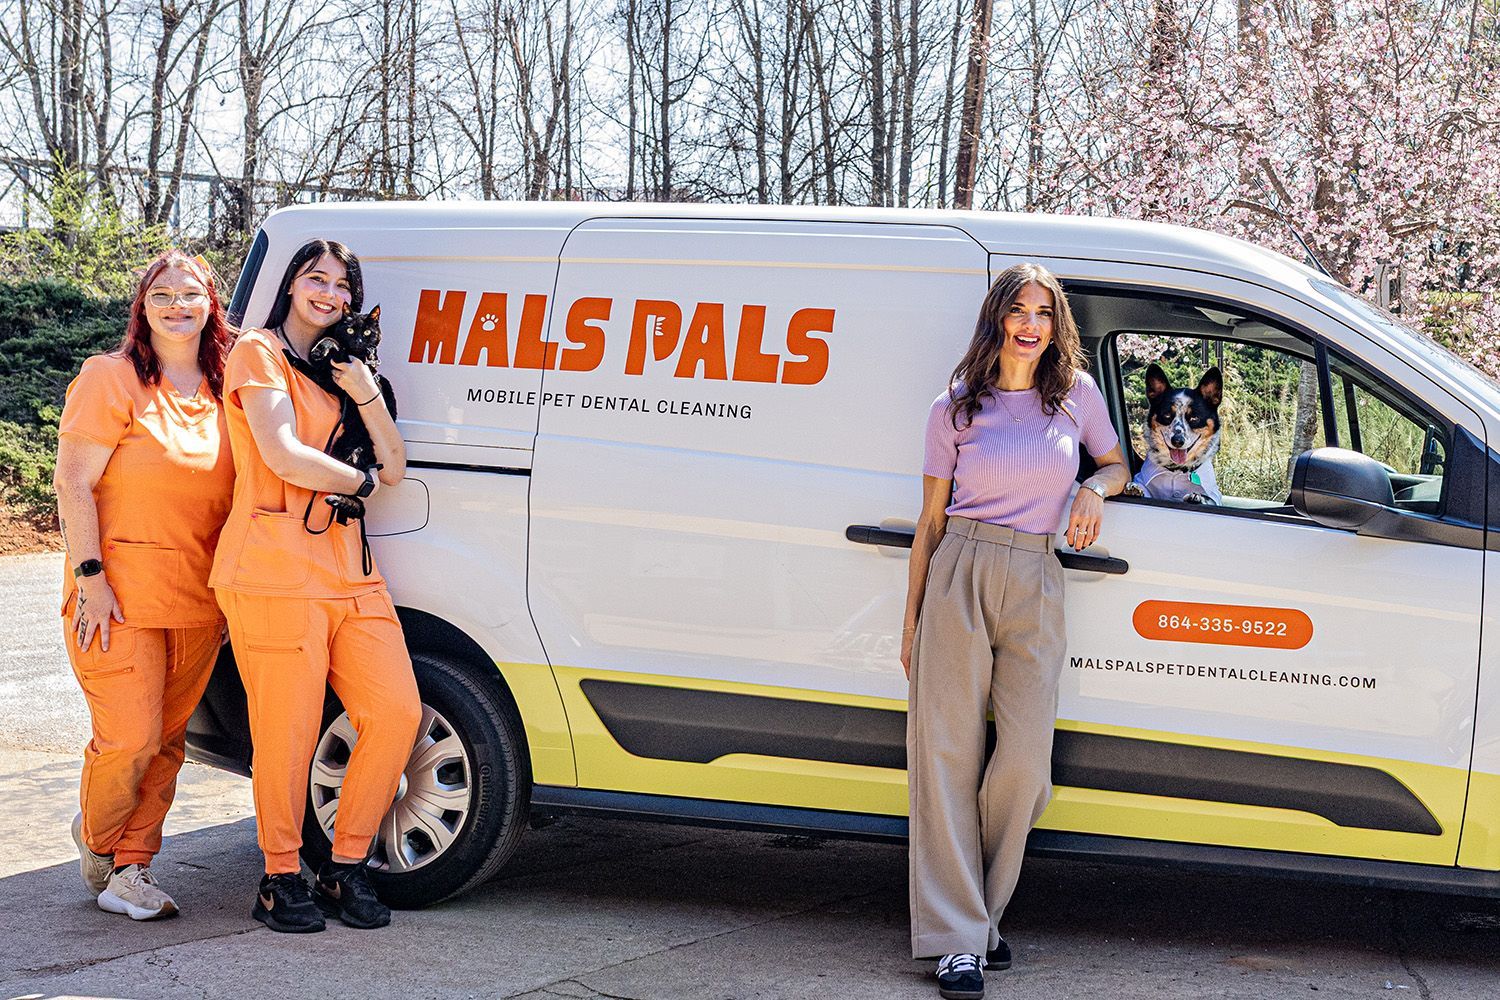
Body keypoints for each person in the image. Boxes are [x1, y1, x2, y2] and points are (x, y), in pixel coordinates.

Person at [901, 263, 1129, 1000]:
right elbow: (929, 523)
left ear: (1056, 325)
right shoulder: (955, 409)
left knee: (1025, 762)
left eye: (1043, 313)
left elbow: (1119, 463)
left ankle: (982, 918)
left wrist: (1094, 487)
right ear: (997, 319)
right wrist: (911, 622)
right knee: (944, 758)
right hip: (959, 571)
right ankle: (956, 941)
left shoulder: (1077, 399)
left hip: (1035, 576)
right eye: (1018, 311)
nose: (1030, 325)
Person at [209, 238, 420, 933]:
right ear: (293, 284)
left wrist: (362, 389)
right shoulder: (257, 353)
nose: (330, 294)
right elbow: (281, 453)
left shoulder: (347, 372)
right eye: (317, 278)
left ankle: (345, 864)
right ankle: (278, 876)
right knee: (288, 732)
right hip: (273, 566)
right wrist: (353, 481)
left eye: (342, 286)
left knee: (394, 714)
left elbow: (395, 465)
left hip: (351, 570)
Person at [54, 250, 236, 920]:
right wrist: (90, 577)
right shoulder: (112, 378)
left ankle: (132, 869)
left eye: (191, 294)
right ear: (142, 306)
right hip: (117, 592)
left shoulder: (225, 390)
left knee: (165, 742)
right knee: (128, 737)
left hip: (198, 598)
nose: (177, 306)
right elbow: (73, 483)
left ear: (211, 303)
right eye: (162, 295)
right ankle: (98, 840)